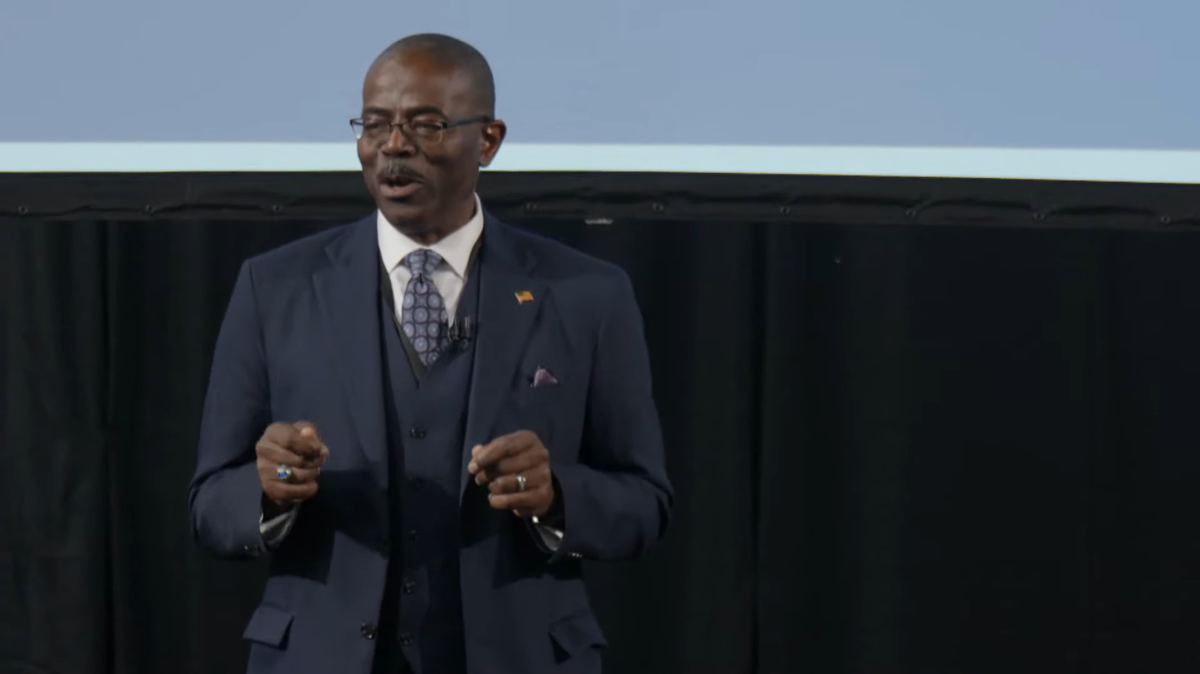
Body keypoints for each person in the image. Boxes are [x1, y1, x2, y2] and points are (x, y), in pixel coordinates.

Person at [187, 33, 673, 674]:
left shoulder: (586, 294)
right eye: (375, 125)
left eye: (426, 125)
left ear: (489, 140)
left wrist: (555, 494)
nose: (393, 146)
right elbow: (209, 502)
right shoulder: (274, 287)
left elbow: (644, 503)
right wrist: (270, 490)